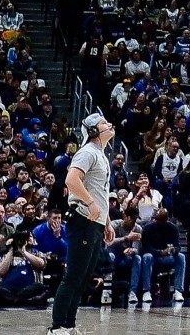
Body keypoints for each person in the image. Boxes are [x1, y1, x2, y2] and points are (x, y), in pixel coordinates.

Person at [48, 114, 117, 335]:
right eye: (104, 123)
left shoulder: (102, 156)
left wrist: (106, 222)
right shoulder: (87, 152)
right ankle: (57, 326)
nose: (109, 125)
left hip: (95, 222)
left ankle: (69, 324)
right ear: (94, 130)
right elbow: (71, 180)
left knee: (84, 277)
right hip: (83, 219)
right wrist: (89, 203)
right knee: (73, 276)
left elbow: (101, 193)